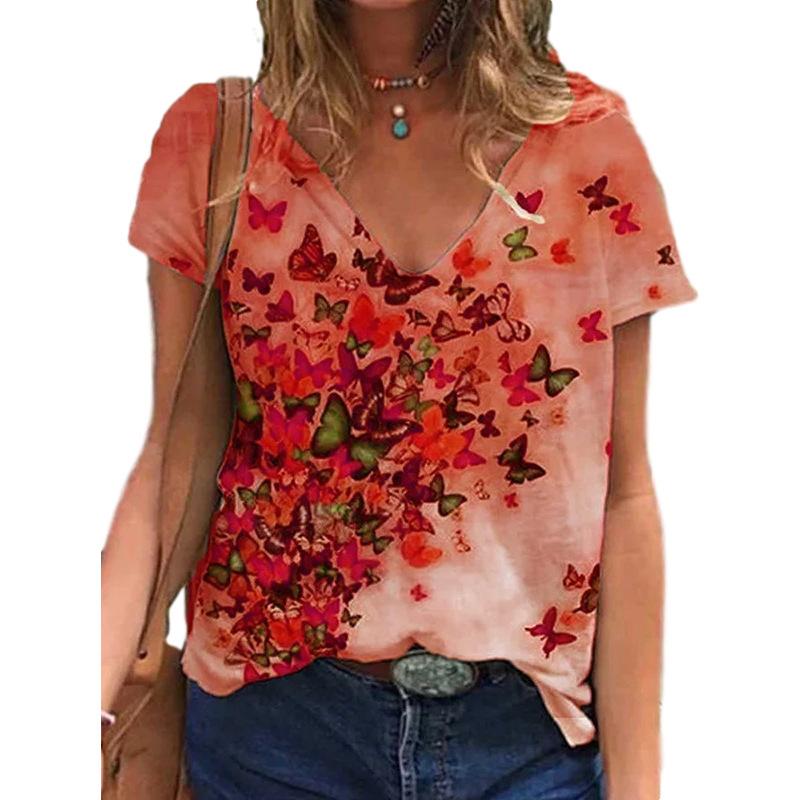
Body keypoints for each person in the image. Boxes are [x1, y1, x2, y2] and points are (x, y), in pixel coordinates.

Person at [102, 1, 698, 798]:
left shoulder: (589, 148)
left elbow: (623, 496)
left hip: (525, 745)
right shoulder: (219, 145)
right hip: (273, 738)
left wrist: (641, 786)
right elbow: (176, 451)